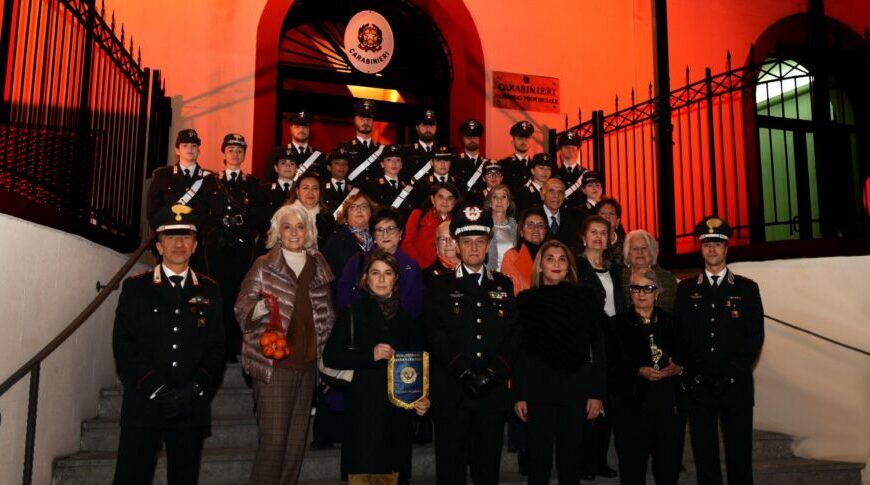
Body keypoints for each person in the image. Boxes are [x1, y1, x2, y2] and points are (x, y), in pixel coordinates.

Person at [112, 204, 225, 485]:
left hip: (190, 405)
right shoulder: (136, 288)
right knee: (132, 477)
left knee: (184, 478)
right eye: (171, 238)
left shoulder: (209, 290)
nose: (178, 243)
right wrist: (157, 388)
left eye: (186, 237)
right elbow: (124, 346)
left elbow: (217, 347)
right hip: (144, 402)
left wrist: (195, 388)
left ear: (195, 245)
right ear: (159, 247)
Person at [235, 203, 336, 485]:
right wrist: (262, 309)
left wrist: (325, 363)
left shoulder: (320, 267)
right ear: (278, 232)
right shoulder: (264, 265)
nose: (294, 232)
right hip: (274, 366)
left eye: (300, 226)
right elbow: (241, 308)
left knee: (295, 446)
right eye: (288, 227)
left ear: (309, 231)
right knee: (274, 443)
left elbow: (328, 317)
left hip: (308, 367)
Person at [424, 204, 520, 485]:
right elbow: (434, 333)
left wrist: (493, 373)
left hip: (491, 394)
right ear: (457, 245)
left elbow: (513, 334)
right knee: (450, 468)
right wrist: (464, 372)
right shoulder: (439, 285)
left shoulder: (503, 285)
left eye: (480, 241)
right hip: (453, 391)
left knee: (487, 467)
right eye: (467, 242)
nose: (474, 248)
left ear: (489, 244)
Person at [322, 250, 431, 485]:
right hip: (362, 417)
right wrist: (368, 355)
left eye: (388, 273)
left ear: (396, 279)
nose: (381, 279)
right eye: (375, 273)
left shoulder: (407, 321)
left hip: (396, 421)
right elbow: (330, 356)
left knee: (391, 476)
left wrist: (421, 399)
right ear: (365, 279)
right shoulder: (351, 314)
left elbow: (415, 368)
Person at [673, 216, 764, 485]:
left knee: (740, 454)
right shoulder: (687, 289)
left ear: (726, 248)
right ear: (700, 248)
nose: (712, 249)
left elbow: (754, 337)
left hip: (735, 385)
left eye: (718, 243)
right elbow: (680, 336)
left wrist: (732, 373)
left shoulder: (747, 289)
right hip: (700, 386)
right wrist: (694, 374)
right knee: (705, 455)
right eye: (706, 244)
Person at [512, 240, 606, 485]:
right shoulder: (526, 301)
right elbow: (520, 353)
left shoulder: (586, 298)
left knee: (570, 461)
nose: (556, 263)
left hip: (575, 389)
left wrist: (596, 393)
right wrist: (519, 394)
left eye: (562, 259)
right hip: (538, 390)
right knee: (538, 463)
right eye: (550, 258)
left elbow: (599, 349)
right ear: (540, 265)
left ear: (569, 267)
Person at [607, 269, 685, 485]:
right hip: (632, 410)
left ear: (657, 292)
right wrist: (638, 370)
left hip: (668, 408)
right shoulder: (616, 325)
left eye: (647, 288)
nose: (641, 294)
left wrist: (678, 368)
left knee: (668, 471)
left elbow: (690, 359)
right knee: (632, 472)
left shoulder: (673, 322)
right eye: (636, 288)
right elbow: (610, 366)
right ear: (629, 293)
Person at [576, 215, 624, 481]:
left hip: (613, 344)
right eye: (593, 232)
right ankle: (584, 460)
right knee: (589, 403)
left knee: (609, 403)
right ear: (584, 237)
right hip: (588, 343)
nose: (598, 237)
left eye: (603, 233)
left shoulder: (614, 268)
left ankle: (600, 459)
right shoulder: (576, 266)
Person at [206, 133, 261, 362]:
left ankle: (236, 346)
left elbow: (257, 216)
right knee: (216, 294)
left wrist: (244, 235)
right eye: (231, 150)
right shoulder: (211, 183)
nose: (235, 154)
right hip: (218, 248)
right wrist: (216, 234)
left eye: (239, 150)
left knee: (239, 295)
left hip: (240, 248)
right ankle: (217, 345)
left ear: (244, 154)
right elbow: (204, 213)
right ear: (224, 154)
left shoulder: (252, 184)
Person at [146, 129, 217, 271]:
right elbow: (152, 212)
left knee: (195, 285)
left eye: (194, 146)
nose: (190, 149)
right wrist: (171, 213)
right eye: (185, 145)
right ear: (177, 150)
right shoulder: (162, 175)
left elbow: (214, 213)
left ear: (199, 151)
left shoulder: (210, 179)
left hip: (197, 244)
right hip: (168, 241)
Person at [338, 207, 425, 320]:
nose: (385, 234)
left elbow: (416, 307)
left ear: (400, 233)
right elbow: (343, 299)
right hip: (363, 326)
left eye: (390, 229)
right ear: (373, 235)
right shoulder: (358, 261)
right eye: (379, 230)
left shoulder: (411, 266)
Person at [401, 182, 460, 269]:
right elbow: (406, 245)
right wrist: (425, 266)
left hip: (451, 270)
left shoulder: (459, 221)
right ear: (432, 199)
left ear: (454, 203)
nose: (445, 201)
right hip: (422, 270)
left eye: (450, 198)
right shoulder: (418, 215)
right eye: (440, 197)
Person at [321, 191, 375, 280]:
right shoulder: (336, 239)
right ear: (346, 216)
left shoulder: (380, 236)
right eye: (353, 207)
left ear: (371, 213)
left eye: (364, 206)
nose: (359, 210)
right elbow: (325, 275)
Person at [622, 229, 678, 313]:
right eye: (635, 248)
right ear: (627, 253)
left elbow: (668, 307)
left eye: (644, 248)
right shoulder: (619, 277)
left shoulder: (667, 278)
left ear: (652, 252)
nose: (639, 252)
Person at [257, 150, 299, 255]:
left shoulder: (302, 191)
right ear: (276, 168)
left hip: (296, 243)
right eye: (283, 163)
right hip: (270, 243)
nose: (288, 166)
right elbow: (258, 219)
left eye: (292, 163)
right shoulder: (264, 190)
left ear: (296, 169)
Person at [500, 207, 548, 296]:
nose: (536, 229)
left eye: (541, 225)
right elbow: (511, 293)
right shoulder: (511, 256)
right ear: (521, 231)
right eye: (530, 225)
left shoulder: (554, 255)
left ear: (545, 231)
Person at [337, 99, 384, 186]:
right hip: (353, 197)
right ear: (354, 119)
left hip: (376, 197)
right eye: (362, 117)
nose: (365, 122)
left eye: (369, 118)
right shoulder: (344, 148)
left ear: (373, 121)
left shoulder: (381, 150)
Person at [278, 110, 327, 182]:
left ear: (309, 129)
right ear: (291, 129)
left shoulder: (319, 156)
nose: (301, 129)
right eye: (297, 126)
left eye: (305, 126)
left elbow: (324, 182)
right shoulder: (279, 152)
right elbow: (269, 181)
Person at [290, 172, 335, 249]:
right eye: (306, 188)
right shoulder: (286, 214)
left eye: (315, 188)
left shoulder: (327, 217)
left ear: (320, 192)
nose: (310, 192)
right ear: (297, 191)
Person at [364, 145, 413, 215]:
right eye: (389, 160)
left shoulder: (407, 187)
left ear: (401, 165)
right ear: (382, 164)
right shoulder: (372, 186)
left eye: (398, 160)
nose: (394, 163)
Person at [539, 178, 582, 251]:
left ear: (564, 197)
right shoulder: (531, 216)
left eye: (560, 192)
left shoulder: (573, 219)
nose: (556, 196)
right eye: (551, 191)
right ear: (542, 195)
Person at [484, 184, 517, 272]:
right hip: (490, 276)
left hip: (513, 276)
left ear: (508, 202)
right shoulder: (483, 227)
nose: (499, 201)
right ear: (490, 203)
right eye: (495, 197)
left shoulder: (516, 227)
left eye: (503, 197)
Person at [400, 108, 439, 182]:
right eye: (424, 125)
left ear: (436, 127)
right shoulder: (406, 152)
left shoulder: (441, 153)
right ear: (417, 127)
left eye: (431, 125)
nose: (428, 129)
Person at [554, 131, 588, 208]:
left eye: (573, 146)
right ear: (560, 149)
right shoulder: (552, 172)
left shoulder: (586, 174)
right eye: (566, 146)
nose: (570, 149)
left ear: (578, 149)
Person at [422, 219, 460, 284]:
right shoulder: (425, 277)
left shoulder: (475, 268)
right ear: (436, 244)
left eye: (453, 237)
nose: (448, 243)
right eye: (443, 239)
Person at [500, 121, 534, 192]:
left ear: (531, 141)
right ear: (513, 141)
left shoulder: (535, 165)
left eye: (526, 138)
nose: (523, 141)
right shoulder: (504, 165)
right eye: (519, 138)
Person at [322, 147, 355, 214]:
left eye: (345, 163)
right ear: (329, 167)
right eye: (337, 163)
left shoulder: (354, 189)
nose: (341, 166)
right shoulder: (321, 188)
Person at [597, 197, 626, 266]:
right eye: (603, 213)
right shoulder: (591, 243)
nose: (607, 217)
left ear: (617, 221)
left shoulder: (626, 245)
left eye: (611, 214)